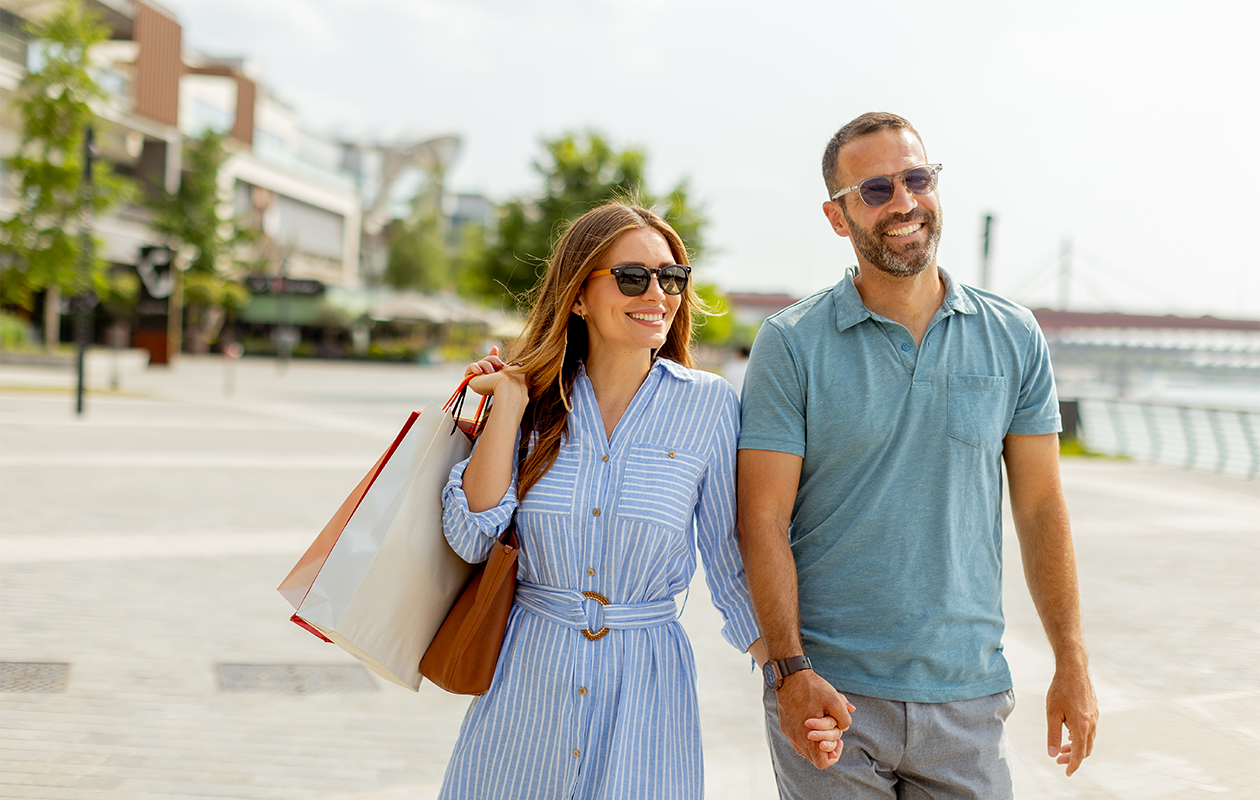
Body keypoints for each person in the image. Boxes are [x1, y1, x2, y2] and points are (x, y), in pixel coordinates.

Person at [737, 112, 1099, 798]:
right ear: (838, 216)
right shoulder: (791, 343)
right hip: (830, 695)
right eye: (876, 190)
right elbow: (761, 519)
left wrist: (1071, 661)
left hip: (968, 694)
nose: (903, 202)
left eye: (917, 178)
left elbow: (1041, 508)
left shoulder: (1014, 335)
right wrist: (788, 671)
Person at [438, 201, 841, 799]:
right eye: (632, 277)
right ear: (578, 295)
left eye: (671, 277)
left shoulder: (709, 406)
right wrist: (511, 403)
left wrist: (791, 678)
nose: (657, 293)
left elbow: (730, 569)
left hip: (647, 690)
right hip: (526, 682)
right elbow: (471, 537)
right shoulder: (533, 402)